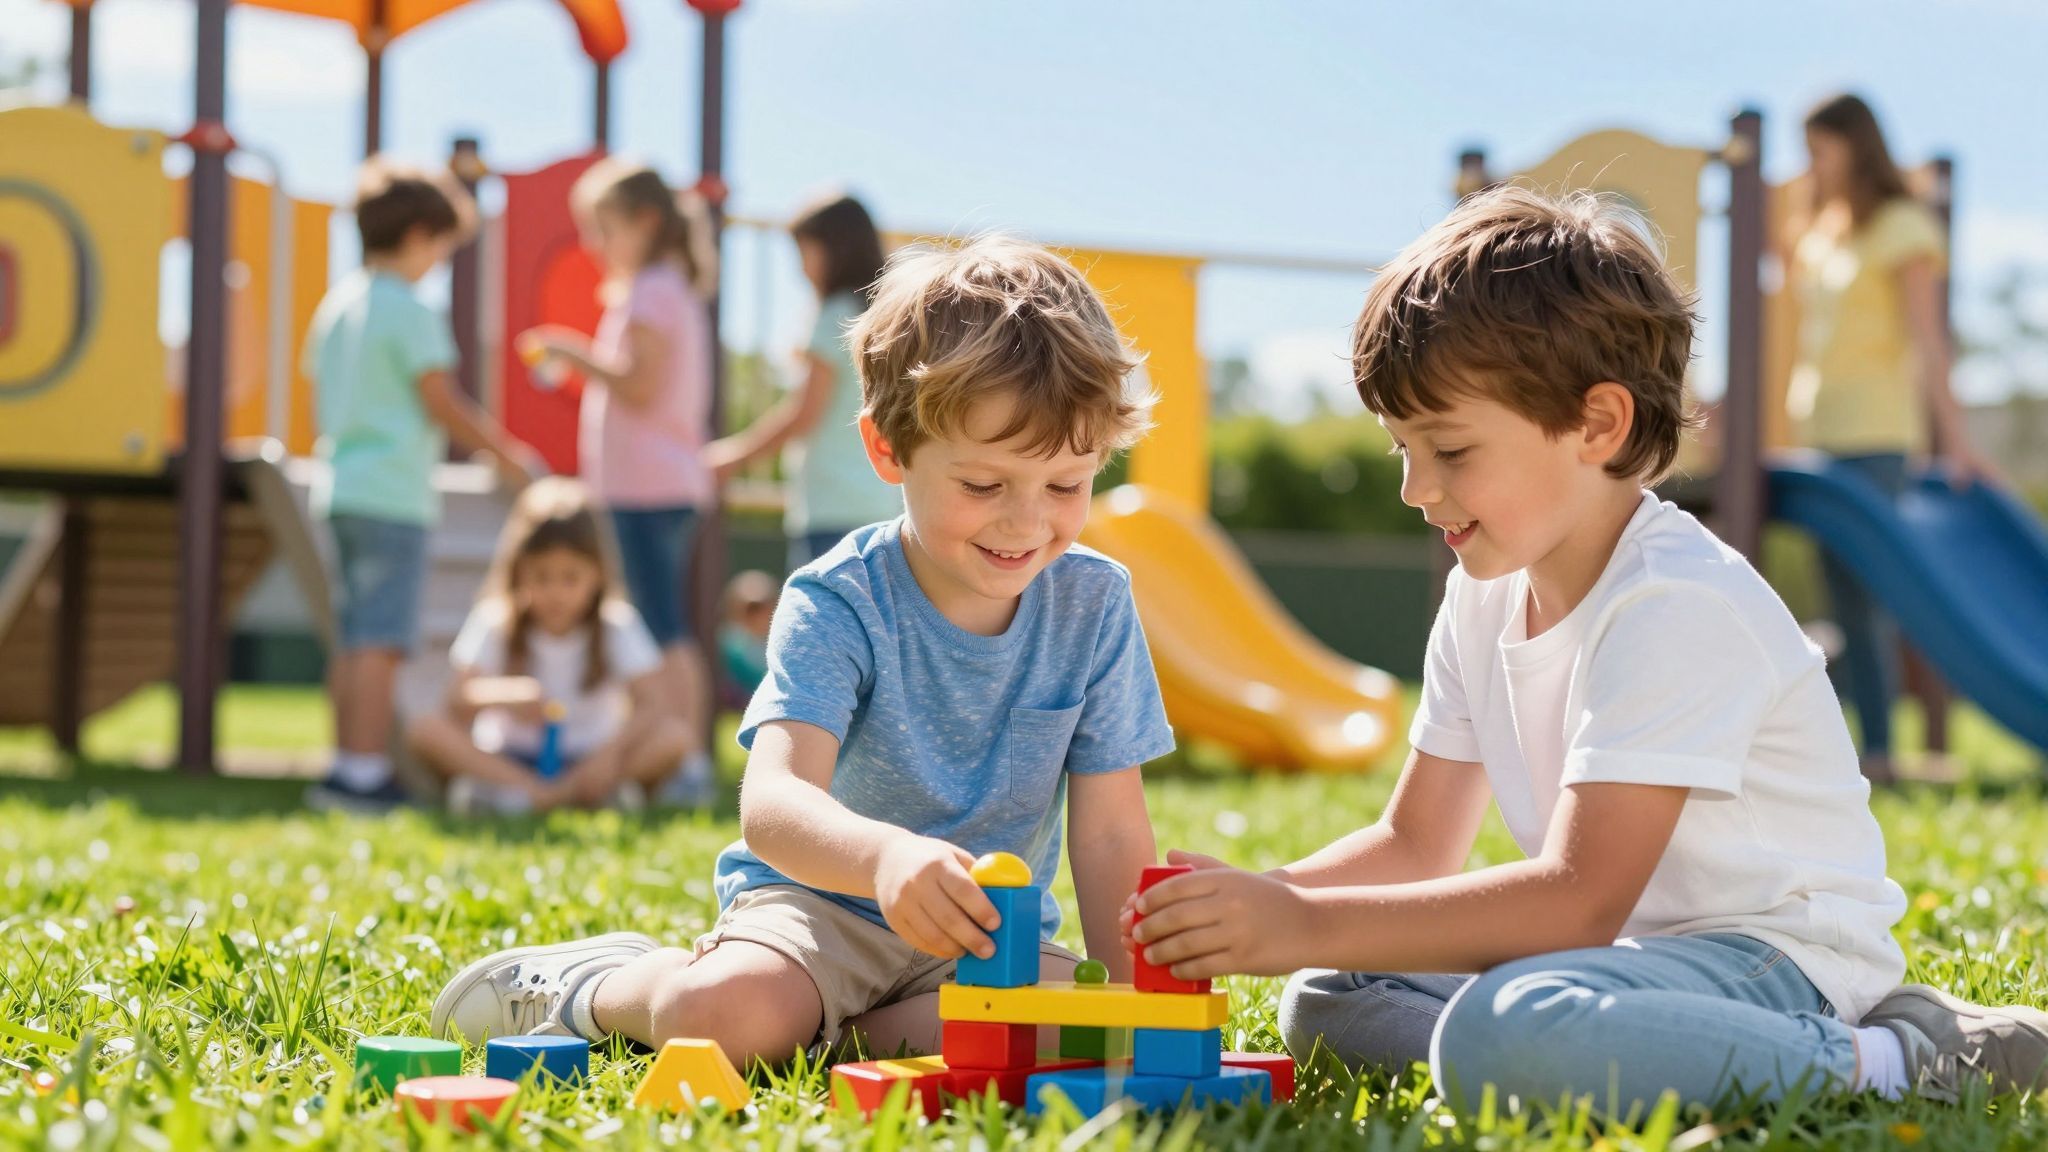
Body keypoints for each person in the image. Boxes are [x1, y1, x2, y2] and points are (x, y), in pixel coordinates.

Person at [1128, 185, 2048, 1113]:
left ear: (1597, 426)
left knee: (1507, 1028)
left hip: (1776, 957)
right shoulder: (1481, 595)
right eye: (1402, 447)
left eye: (1448, 450)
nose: (1414, 488)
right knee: (1333, 989)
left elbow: (1579, 901)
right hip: (1620, 964)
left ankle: (1899, 1057)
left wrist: (1294, 920)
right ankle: (1591, 1051)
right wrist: (1260, 898)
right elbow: (1414, 845)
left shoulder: (1675, 600)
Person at [430, 235, 1170, 1068]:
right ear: (888, 449)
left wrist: (1141, 1002)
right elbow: (774, 803)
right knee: (726, 1015)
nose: (1027, 522)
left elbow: (1109, 835)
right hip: (819, 916)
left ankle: (831, 1040)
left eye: (1066, 485)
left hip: (982, 942)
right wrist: (886, 857)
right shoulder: (840, 596)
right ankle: (596, 986)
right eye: (983, 484)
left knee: (1098, 1035)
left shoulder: (1095, 603)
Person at [305, 158, 542, 812]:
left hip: (343, 488)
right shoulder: (409, 309)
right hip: (391, 498)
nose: (439, 260)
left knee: (354, 639)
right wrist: (507, 455)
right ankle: (362, 773)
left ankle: (341, 766)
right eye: (441, 246)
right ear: (417, 234)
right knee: (381, 642)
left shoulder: (341, 303)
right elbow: (443, 400)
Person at [1787, 93, 1995, 785]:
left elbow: (1930, 345)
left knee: (1872, 597)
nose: (1811, 164)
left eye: (1820, 149)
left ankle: (1879, 749)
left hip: (1877, 435)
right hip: (1821, 433)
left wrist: (1956, 442)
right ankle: (1863, 753)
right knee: (1841, 599)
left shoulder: (1902, 226)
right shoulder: (1823, 230)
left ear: (1855, 145)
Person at [520, 159, 719, 804]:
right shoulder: (659, 289)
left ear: (645, 222)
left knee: (660, 628)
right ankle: (679, 753)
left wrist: (569, 351)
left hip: (649, 490)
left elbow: (637, 384)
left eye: (602, 229)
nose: (592, 245)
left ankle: (683, 756)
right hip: (650, 487)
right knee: (661, 623)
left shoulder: (654, 292)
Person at [404, 478, 694, 814]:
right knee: (425, 730)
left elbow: (652, 705)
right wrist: (506, 696)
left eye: (571, 578)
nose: (556, 593)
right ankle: (542, 794)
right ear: (518, 571)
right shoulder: (495, 619)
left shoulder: (617, 623)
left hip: (590, 757)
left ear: (597, 574)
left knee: (674, 738)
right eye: (541, 577)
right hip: (511, 758)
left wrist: (608, 757)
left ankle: (527, 797)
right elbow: (456, 700)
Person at [705, 193, 902, 568]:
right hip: (880, 503)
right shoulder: (881, 318)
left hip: (832, 507)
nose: (801, 269)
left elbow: (803, 414)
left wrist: (733, 457)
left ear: (835, 250)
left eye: (804, 253)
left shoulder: (834, 316)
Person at [717, 569, 778, 700]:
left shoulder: (782, 643)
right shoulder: (731, 647)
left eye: (766, 606)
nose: (760, 615)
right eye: (753, 609)